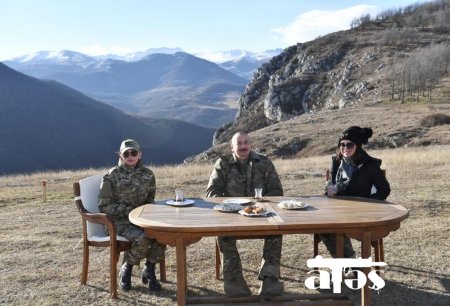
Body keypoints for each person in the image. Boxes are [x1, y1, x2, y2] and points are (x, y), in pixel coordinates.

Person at [206, 131, 284, 297]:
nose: (243, 146)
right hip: (231, 214)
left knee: (276, 232)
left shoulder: (264, 162)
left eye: (246, 142)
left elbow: (277, 190)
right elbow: (212, 192)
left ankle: (270, 280)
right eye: (239, 143)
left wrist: (262, 203)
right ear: (232, 147)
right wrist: (227, 204)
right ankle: (234, 282)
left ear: (250, 144)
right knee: (224, 235)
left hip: (260, 213)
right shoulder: (223, 163)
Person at [98, 139, 166, 292]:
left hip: (141, 220)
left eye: (133, 152)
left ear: (140, 154)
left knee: (163, 235)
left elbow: (150, 199)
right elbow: (104, 205)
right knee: (142, 239)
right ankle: (126, 269)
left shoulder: (148, 174)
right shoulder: (111, 176)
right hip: (118, 222)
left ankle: (149, 270)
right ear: (121, 156)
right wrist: (129, 211)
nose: (130, 156)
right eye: (126, 153)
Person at [320, 126, 391, 259]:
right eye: (342, 144)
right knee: (323, 228)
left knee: (335, 227)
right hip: (337, 209)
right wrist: (329, 189)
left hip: (361, 212)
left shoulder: (369, 164)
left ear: (357, 146)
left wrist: (368, 204)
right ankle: (351, 261)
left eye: (349, 144)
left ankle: (349, 265)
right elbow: (331, 184)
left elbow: (384, 190)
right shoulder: (336, 161)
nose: (345, 148)